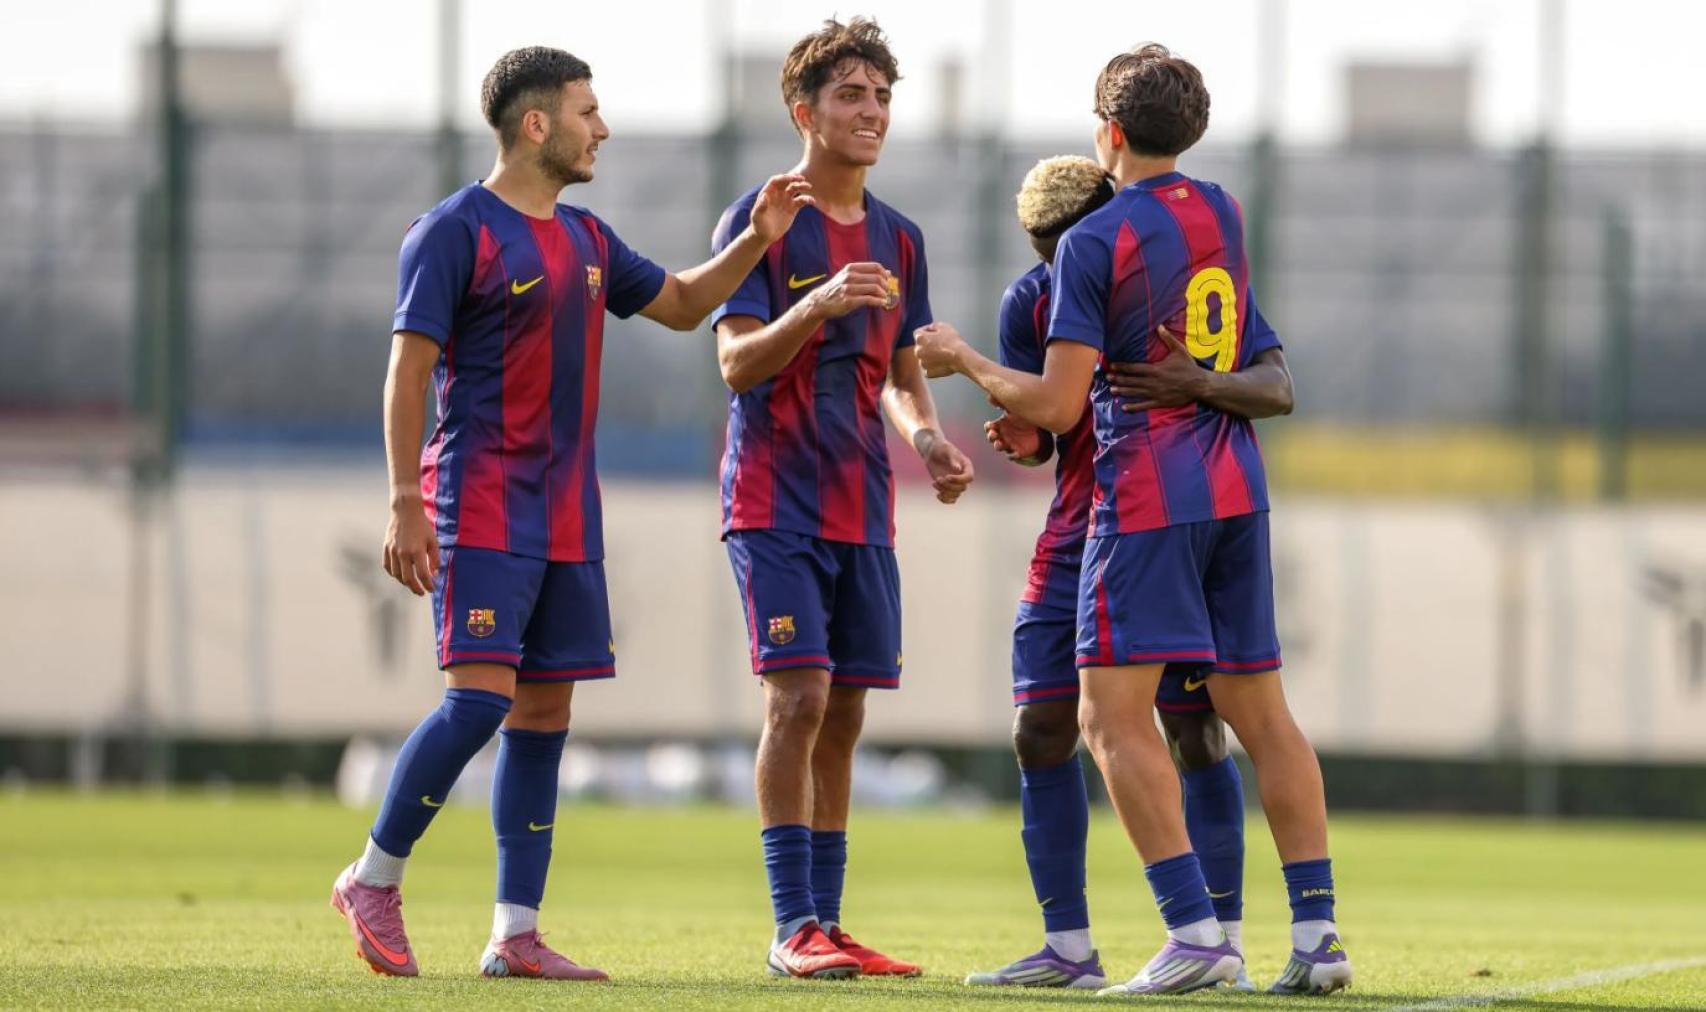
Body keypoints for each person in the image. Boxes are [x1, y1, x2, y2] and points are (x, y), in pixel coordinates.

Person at [330, 45, 813, 982]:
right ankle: (373, 878)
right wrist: (402, 501)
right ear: (537, 123)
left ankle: (515, 933)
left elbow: (680, 304)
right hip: (476, 503)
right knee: (478, 701)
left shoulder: (588, 240)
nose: (605, 127)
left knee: (544, 716)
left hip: (565, 517)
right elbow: (408, 370)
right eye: (589, 111)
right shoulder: (452, 231)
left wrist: (755, 238)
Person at [915, 44, 1351, 997]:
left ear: (1108, 133)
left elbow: (1065, 408)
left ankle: (1196, 933)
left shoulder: (1089, 241)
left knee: (1107, 720)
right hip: (1237, 485)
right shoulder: (1221, 212)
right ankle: (1317, 937)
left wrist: (965, 363)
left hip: (1149, 494)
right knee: (1263, 717)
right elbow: (1246, 360)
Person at [962, 155, 1279, 993]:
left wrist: (968, 367)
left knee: (1193, 729)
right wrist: (1019, 435)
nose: (1053, 261)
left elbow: (1265, 375)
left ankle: (1218, 937)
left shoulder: (1170, 271)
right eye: (1041, 250)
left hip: (1157, 520)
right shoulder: (1030, 302)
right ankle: (1066, 946)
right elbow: (1044, 429)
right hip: (1077, 531)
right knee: (1040, 729)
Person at [710, 16, 974, 980]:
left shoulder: (901, 235)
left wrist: (929, 437)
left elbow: (901, 371)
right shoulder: (763, 217)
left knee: (848, 711)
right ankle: (791, 930)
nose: (872, 113)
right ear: (803, 112)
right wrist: (814, 303)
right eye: (851, 96)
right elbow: (736, 364)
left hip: (862, 501)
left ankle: (826, 919)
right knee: (799, 699)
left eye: (881, 96)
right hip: (773, 495)